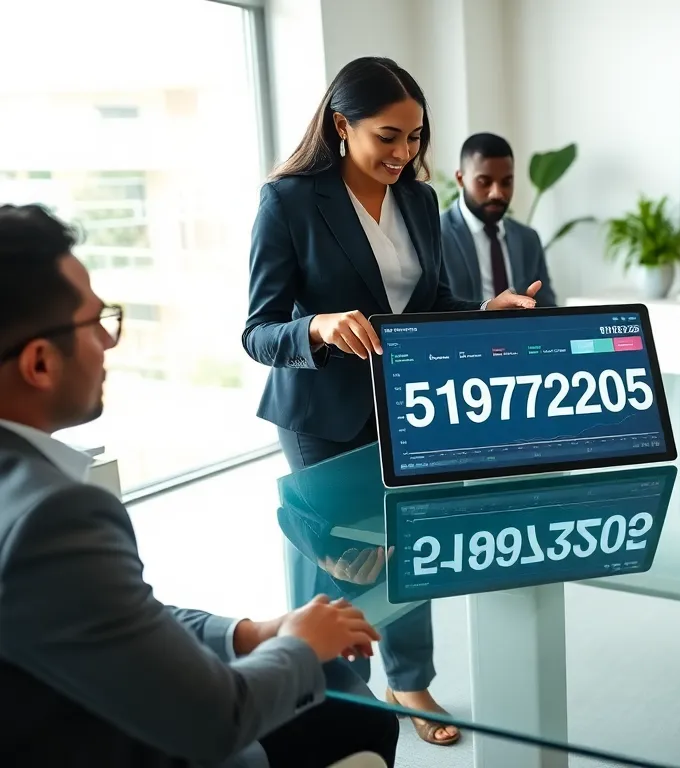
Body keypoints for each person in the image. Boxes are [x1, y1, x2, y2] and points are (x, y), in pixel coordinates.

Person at [0, 204, 398, 767]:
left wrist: (248, 634)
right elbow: (219, 721)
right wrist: (301, 643)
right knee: (355, 710)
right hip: (125, 742)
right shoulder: (51, 516)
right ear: (39, 363)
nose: (109, 341)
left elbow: (111, 614)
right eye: (95, 322)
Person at [244, 56, 529, 746]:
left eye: (416, 137)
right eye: (388, 137)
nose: (404, 153)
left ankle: (409, 678)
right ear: (342, 126)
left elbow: (429, 305)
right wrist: (317, 327)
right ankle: (336, 694)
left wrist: (484, 314)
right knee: (344, 563)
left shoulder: (420, 200)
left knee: (410, 545)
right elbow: (258, 331)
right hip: (322, 411)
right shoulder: (288, 201)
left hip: (406, 403)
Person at [440, 132, 559, 307]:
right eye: (484, 182)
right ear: (460, 179)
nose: (497, 193)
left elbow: (548, 308)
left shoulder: (528, 239)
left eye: (506, 182)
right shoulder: (436, 235)